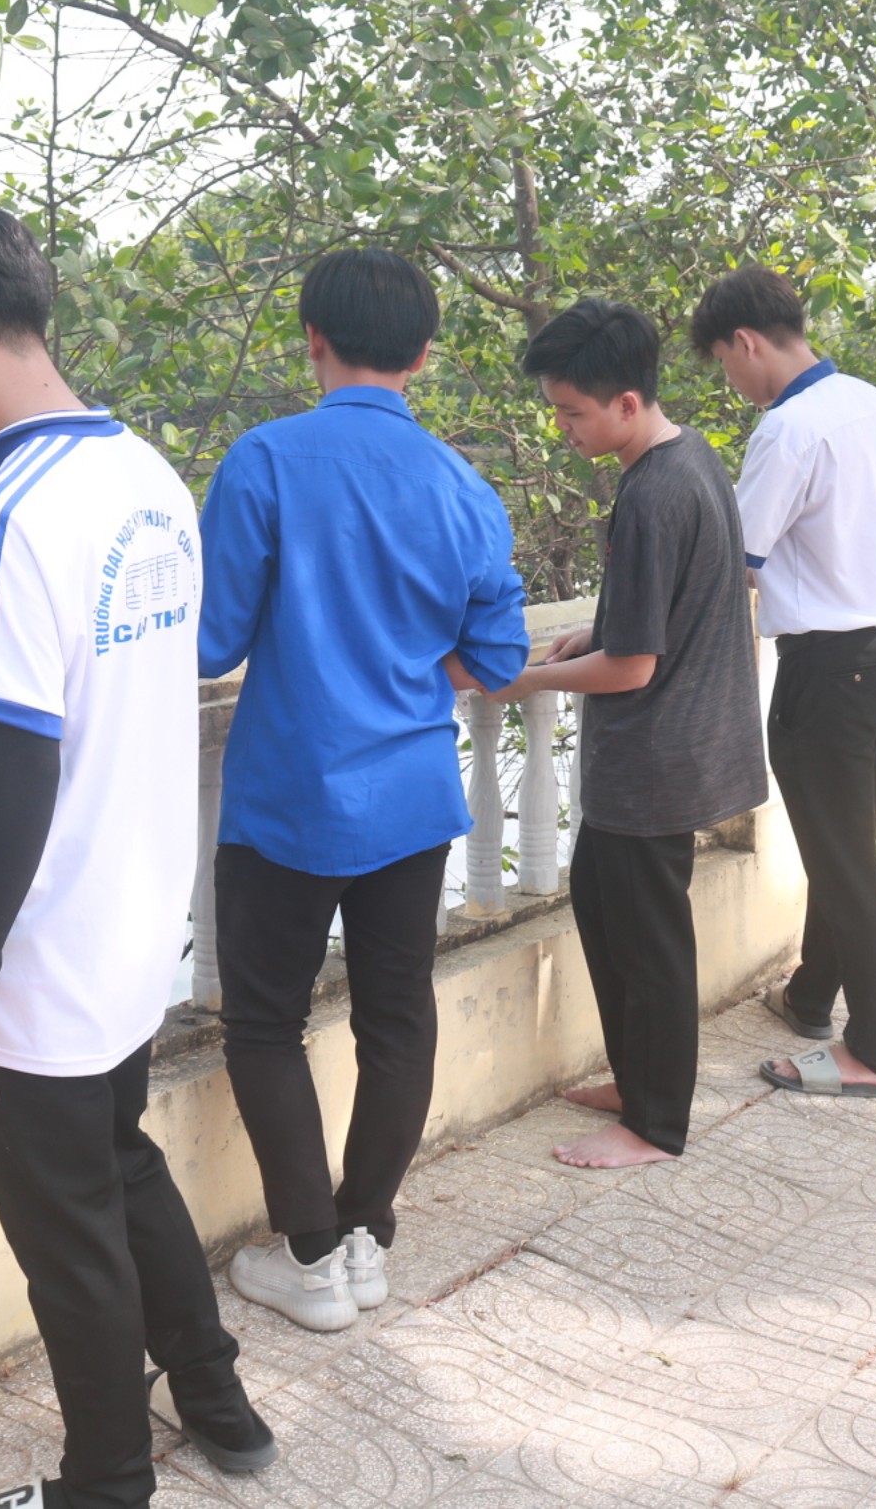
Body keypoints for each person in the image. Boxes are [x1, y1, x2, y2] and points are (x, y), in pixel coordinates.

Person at [0, 209, 277, 1509]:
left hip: (42, 955)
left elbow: (24, 760)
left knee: (68, 1240)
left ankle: (104, 1485)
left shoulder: (10, 509)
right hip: (132, 917)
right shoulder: (145, 476)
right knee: (120, 1161)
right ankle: (217, 1400)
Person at [196, 248, 527, 1332]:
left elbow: (209, 643)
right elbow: (499, 654)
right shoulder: (462, 485)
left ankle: (307, 1254)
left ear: (313, 340)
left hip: (289, 797)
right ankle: (365, 1238)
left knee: (265, 1024)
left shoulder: (266, 459)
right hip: (411, 797)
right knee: (397, 1018)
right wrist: (402, 664)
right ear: (425, 354)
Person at [492, 298, 766, 1168]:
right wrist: (597, 628)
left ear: (625, 402)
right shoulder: (692, 458)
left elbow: (633, 668)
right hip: (676, 745)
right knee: (603, 906)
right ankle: (638, 1079)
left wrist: (527, 679)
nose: (563, 429)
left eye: (572, 412)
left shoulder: (652, 493)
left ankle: (655, 1123)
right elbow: (669, 607)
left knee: (649, 945)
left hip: (658, 756)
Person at [687, 266, 876, 1102]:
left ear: (745, 342)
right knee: (845, 837)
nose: (732, 380)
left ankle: (873, 1050)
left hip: (827, 667)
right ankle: (812, 994)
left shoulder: (788, 429)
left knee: (844, 856)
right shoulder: (870, 402)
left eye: (724, 363)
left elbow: (735, 558)